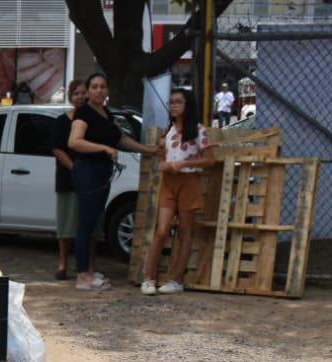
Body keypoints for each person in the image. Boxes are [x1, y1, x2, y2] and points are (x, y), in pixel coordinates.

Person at [67, 72, 158, 292]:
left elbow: (121, 139)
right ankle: (82, 276)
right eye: (94, 87)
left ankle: (88, 271)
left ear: (107, 91)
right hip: (88, 172)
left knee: (93, 224)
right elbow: (74, 142)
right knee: (85, 225)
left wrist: (148, 149)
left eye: (102, 87)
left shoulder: (105, 113)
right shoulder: (84, 114)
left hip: (102, 173)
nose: (99, 90)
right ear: (88, 91)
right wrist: (104, 149)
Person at [141, 88, 215, 295]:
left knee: (185, 231)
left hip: (189, 182)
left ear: (187, 105)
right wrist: (164, 162)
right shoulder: (169, 130)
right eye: (172, 102)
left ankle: (176, 280)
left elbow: (211, 159)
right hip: (169, 183)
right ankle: (149, 278)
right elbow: (164, 156)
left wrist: (183, 163)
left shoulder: (199, 130)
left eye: (178, 102)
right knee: (162, 230)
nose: (173, 105)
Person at [50, 79, 86, 280]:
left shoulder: (93, 119)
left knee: (90, 225)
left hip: (90, 180)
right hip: (68, 178)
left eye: (83, 93)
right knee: (66, 225)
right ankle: (63, 263)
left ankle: (88, 265)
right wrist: (74, 167)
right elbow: (57, 148)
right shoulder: (61, 121)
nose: (80, 97)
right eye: (76, 93)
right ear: (70, 97)